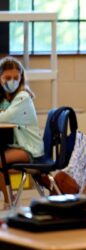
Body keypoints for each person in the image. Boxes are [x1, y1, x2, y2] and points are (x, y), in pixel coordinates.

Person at [0, 56, 44, 202]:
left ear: (21, 78)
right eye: (7, 77)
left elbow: (5, 118)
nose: (11, 81)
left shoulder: (23, 97)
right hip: (14, 146)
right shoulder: (6, 100)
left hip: (29, 150)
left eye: (15, 77)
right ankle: (8, 199)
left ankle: (8, 200)